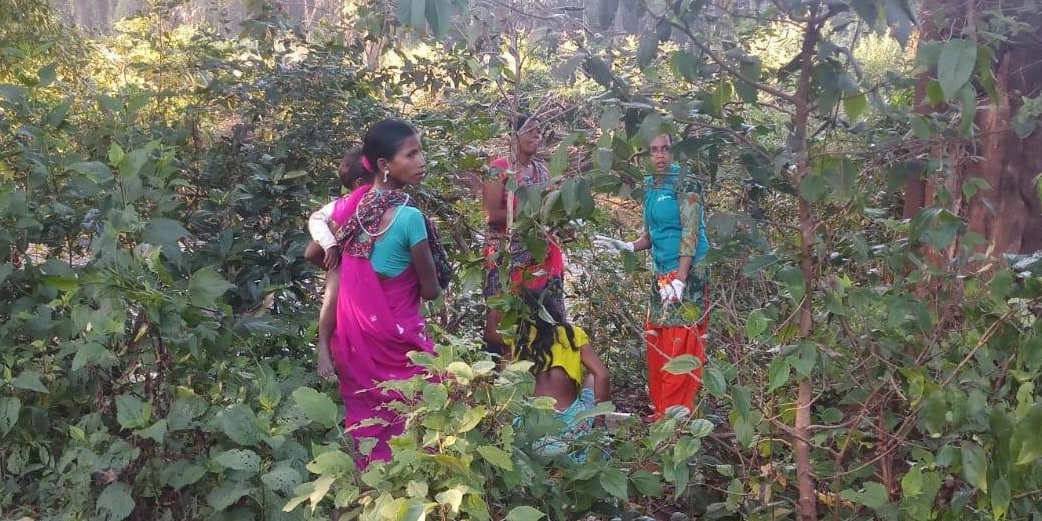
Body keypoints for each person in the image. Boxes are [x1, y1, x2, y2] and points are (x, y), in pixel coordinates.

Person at [325, 119, 451, 468]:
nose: (422, 161)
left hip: (355, 342)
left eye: (420, 152)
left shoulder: (353, 206)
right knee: (423, 422)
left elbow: (317, 252)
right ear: (384, 165)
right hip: (400, 346)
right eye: (411, 154)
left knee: (370, 430)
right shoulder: (410, 218)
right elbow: (430, 290)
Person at [594, 132, 710, 420]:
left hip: (688, 271)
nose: (659, 155)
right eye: (654, 150)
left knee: (680, 343)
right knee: (656, 338)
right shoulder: (650, 183)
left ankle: (676, 415)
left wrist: (681, 278)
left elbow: (690, 233)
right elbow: (653, 232)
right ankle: (661, 411)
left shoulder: (686, 182)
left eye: (665, 149)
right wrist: (628, 246)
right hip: (661, 273)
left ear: (674, 151)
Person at [481, 113, 566, 357]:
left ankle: (544, 371)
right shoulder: (498, 169)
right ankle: (497, 375)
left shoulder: (542, 170)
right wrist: (532, 212)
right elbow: (492, 214)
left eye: (539, 131)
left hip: (541, 253)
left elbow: (552, 209)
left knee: (547, 315)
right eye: (530, 130)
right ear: (513, 135)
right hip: (507, 254)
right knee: (501, 322)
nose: (536, 135)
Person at [509, 287, 609, 460]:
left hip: (532, 426)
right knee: (593, 376)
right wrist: (599, 424)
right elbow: (603, 376)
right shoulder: (573, 334)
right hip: (571, 423)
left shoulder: (517, 338)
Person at [304, 148, 373, 380]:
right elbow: (316, 220)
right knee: (332, 295)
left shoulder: (379, 206)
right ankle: (323, 345)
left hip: (364, 272)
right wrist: (330, 246)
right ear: (362, 182)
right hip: (342, 263)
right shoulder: (342, 205)